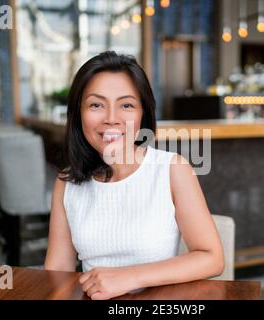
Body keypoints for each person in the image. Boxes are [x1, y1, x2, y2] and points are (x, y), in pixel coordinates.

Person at [44, 51, 224, 300]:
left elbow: (211, 258)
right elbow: (58, 273)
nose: (111, 119)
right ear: (78, 114)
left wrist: (130, 276)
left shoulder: (172, 170)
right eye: (96, 105)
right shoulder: (67, 184)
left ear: (143, 114)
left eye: (126, 105)